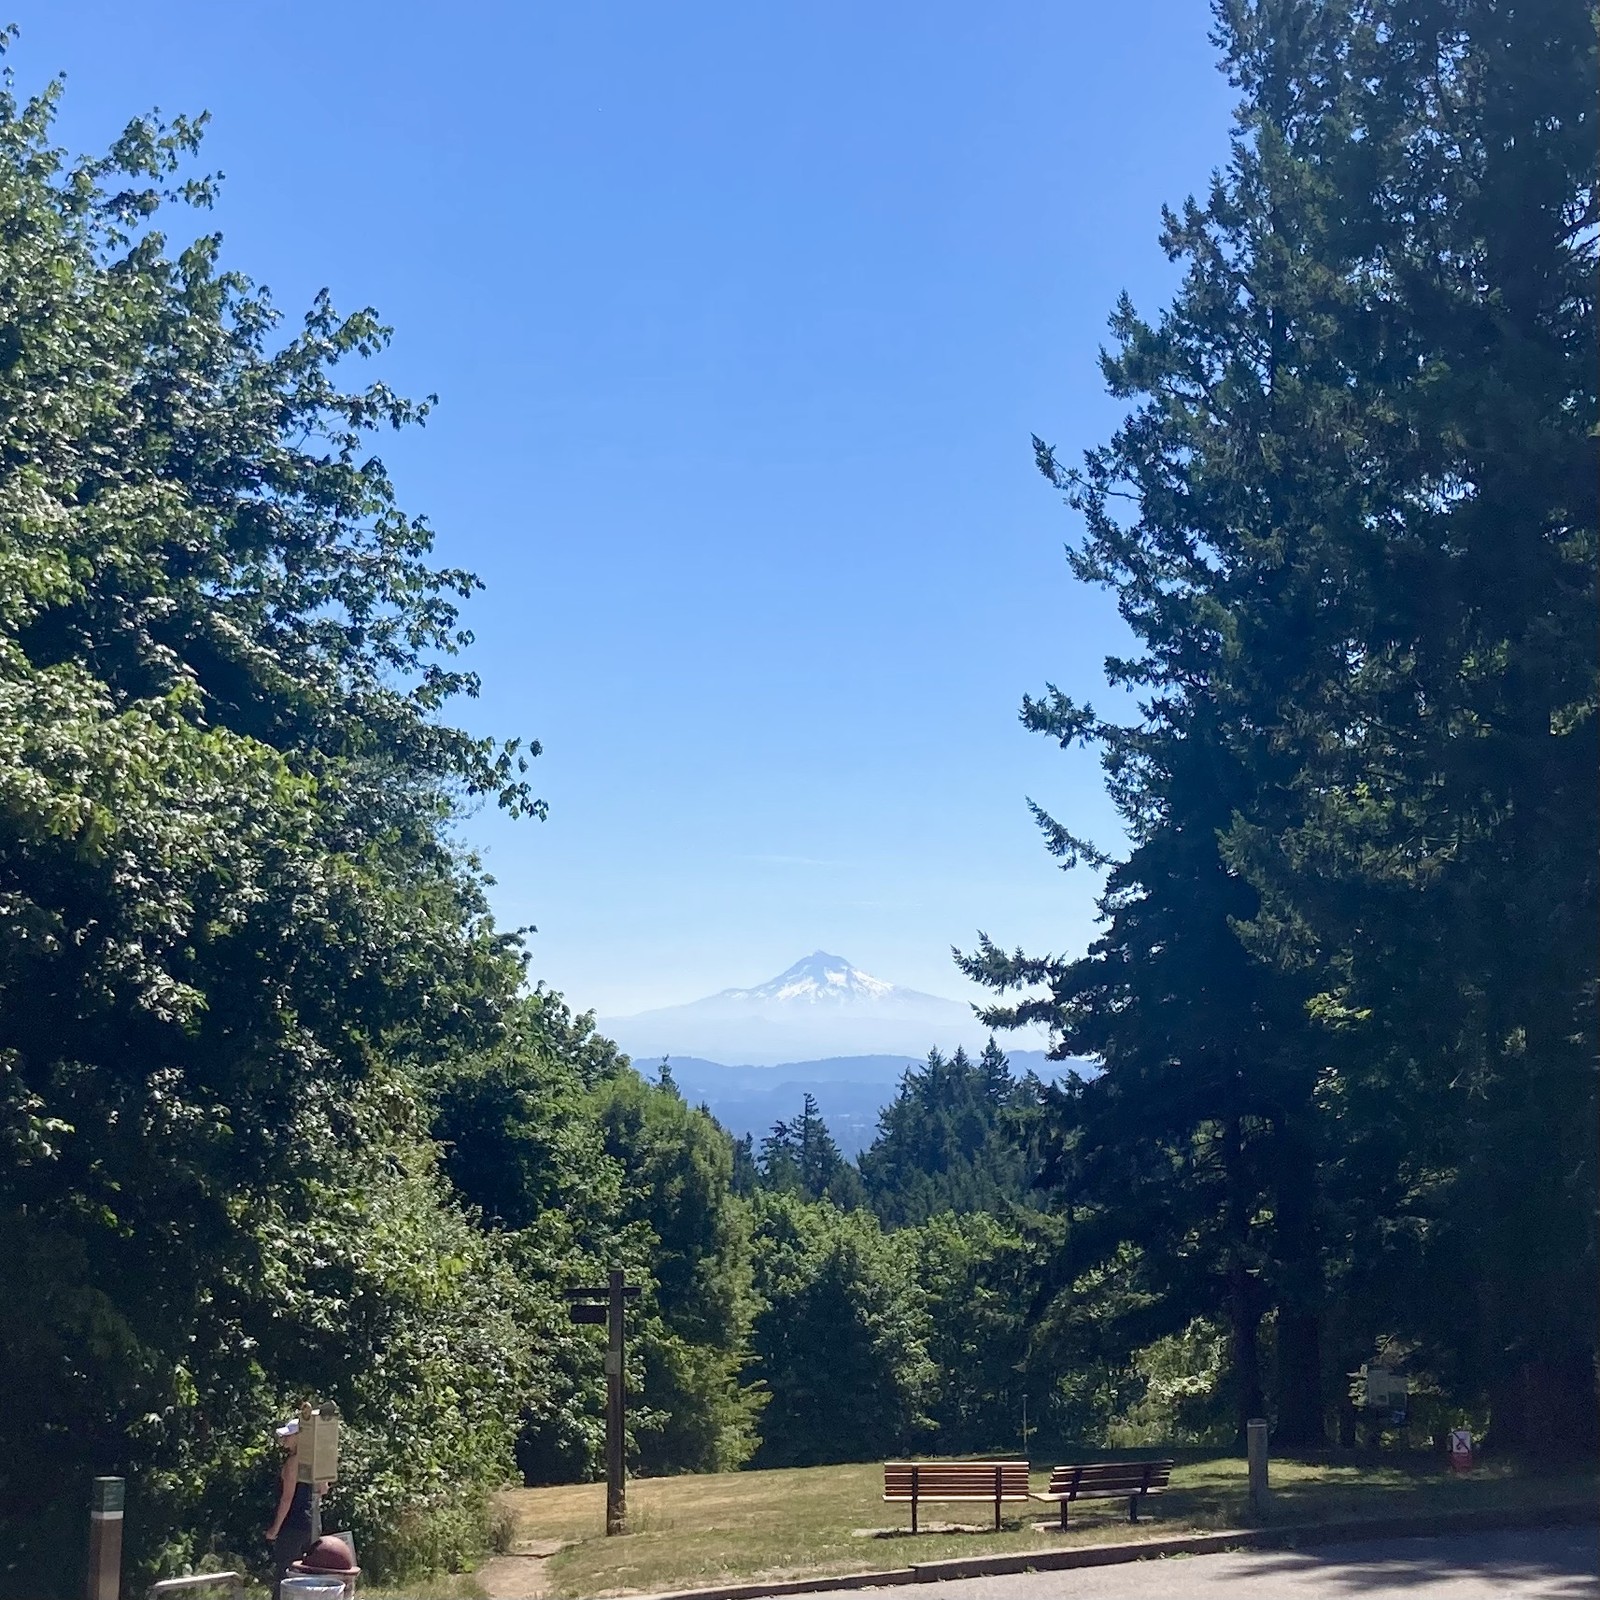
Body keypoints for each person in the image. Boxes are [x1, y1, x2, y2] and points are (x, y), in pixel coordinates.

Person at [266, 1416, 327, 1599]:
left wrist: (274, 1529)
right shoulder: (315, 1460)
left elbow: (287, 1499)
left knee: (284, 1573)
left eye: (289, 1436)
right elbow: (323, 1489)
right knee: (307, 1572)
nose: (285, 1439)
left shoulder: (293, 1463)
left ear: (300, 1437)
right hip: (312, 1524)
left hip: (293, 1524)